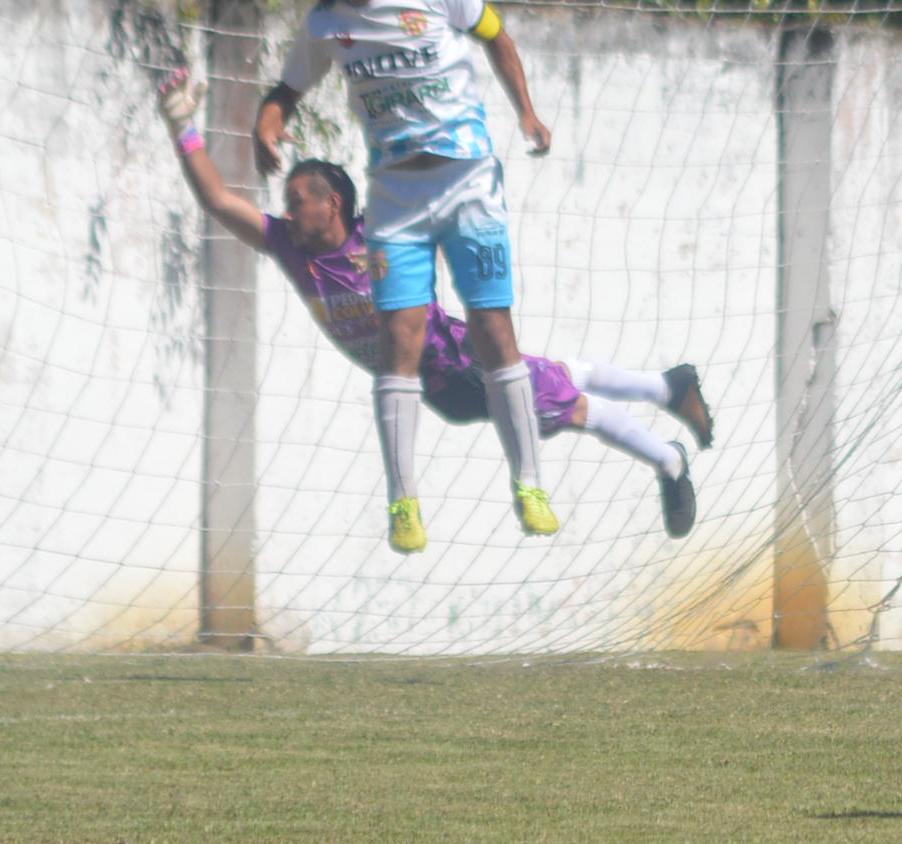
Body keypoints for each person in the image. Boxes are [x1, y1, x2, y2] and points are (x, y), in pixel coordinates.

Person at [156, 70, 713, 551]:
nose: (288, 212)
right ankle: (666, 387)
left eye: (297, 201)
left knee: (570, 407)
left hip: (467, 363)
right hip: (437, 386)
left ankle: (668, 460)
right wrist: (183, 127)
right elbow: (218, 200)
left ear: (333, 204)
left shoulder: (383, 231)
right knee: (558, 378)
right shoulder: (289, 249)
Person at [251, 0, 570, 545]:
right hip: (397, 203)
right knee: (400, 339)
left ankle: (529, 484)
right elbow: (288, 88)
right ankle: (404, 505)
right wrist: (269, 120)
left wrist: (528, 113)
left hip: (471, 186)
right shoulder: (323, 28)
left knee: (492, 332)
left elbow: (497, 36)